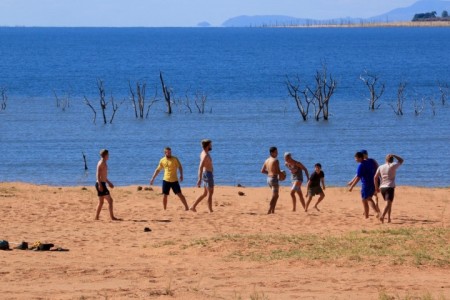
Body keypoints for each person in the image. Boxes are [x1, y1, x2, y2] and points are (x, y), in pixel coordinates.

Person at [348, 151, 380, 219]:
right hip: (374, 182)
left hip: (366, 184)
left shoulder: (361, 165)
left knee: (367, 199)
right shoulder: (371, 161)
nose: (355, 160)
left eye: (356, 158)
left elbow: (358, 177)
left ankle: (376, 212)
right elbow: (377, 168)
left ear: (360, 158)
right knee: (366, 199)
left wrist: (352, 186)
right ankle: (366, 216)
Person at [374, 154, 404, 223]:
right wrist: (394, 155)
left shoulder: (381, 167)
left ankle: (389, 218)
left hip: (382, 187)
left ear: (385, 160)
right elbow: (401, 160)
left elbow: (375, 177)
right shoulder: (392, 165)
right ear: (392, 160)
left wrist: (376, 187)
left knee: (389, 203)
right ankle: (383, 216)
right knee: (388, 203)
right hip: (389, 187)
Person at [190, 139, 214, 213]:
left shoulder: (204, 153)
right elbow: (200, 167)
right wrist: (199, 179)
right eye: (210, 145)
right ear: (207, 146)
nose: (211, 146)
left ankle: (193, 206)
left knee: (205, 193)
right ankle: (210, 210)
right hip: (207, 174)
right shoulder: (205, 155)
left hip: (207, 173)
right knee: (210, 193)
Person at [95, 149, 119, 221]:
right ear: (105, 155)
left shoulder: (104, 162)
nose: (109, 156)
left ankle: (96, 217)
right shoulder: (101, 163)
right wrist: (100, 185)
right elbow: (98, 175)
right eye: (108, 155)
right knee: (110, 201)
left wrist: (108, 182)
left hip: (102, 183)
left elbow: (103, 176)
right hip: (100, 184)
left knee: (101, 202)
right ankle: (112, 217)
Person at [261, 146, 282, 214]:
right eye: (276, 152)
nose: (277, 153)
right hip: (274, 179)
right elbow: (278, 171)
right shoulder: (275, 160)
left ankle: (273, 210)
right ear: (272, 153)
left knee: (276, 195)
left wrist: (269, 172)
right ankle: (270, 209)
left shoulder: (266, 160)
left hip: (268, 179)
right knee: (274, 195)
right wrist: (283, 175)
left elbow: (262, 171)